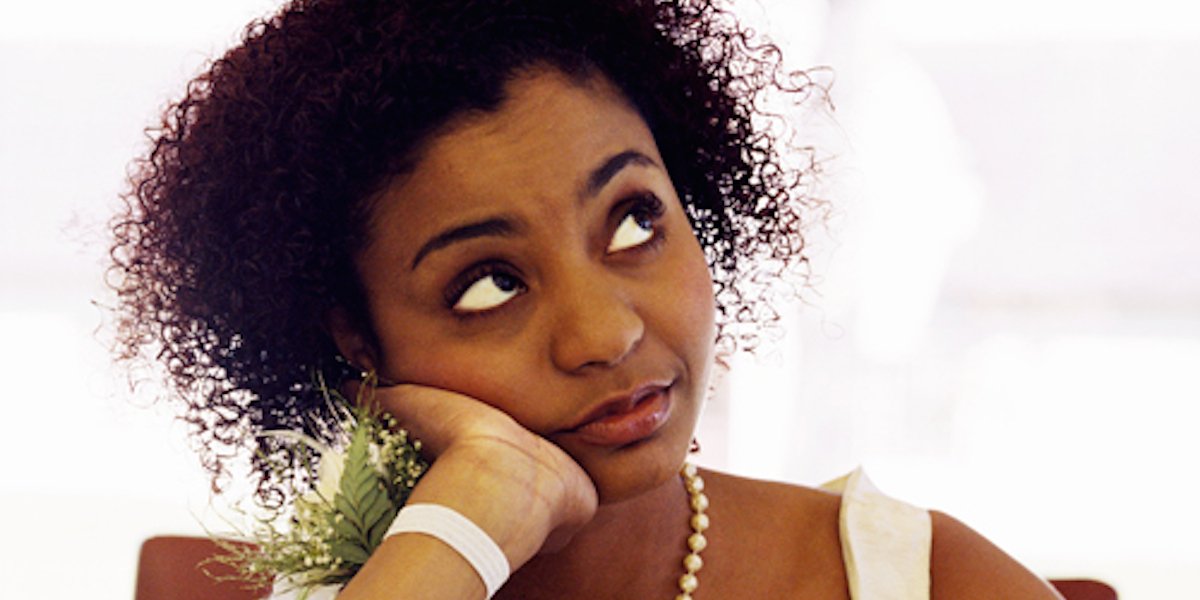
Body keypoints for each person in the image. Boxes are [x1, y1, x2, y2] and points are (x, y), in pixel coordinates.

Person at [110, 0, 1063, 598]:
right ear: (357, 338)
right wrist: (478, 511)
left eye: (635, 222)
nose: (605, 332)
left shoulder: (926, 580)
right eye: (490, 284)